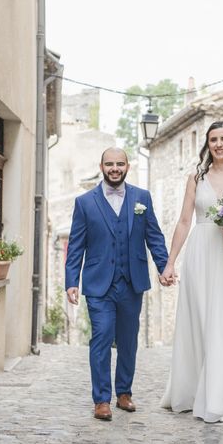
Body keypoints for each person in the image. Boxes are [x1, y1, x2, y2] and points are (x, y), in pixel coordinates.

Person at [160, 121, 223, 423]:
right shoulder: (196, 177)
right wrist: (170, 262)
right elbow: (183, 221)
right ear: (207, 144)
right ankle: (192, 390)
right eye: (213, 139)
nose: (219, 144)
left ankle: (222, 395)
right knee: (200, 321)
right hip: (200, 254)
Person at [65, 147, 171, 421]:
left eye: (120, 164)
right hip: (99, 284)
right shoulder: (85, 202)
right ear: (101, 167)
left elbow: (155, 237)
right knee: (101, 337)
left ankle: (124, 392)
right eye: (109, 164)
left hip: (131, 282)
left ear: (128, 167)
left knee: (128, 340)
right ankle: (101, 399)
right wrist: (71, 281)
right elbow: (76, 246)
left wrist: (164, 267)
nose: (115, 168)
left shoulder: (141, 198)